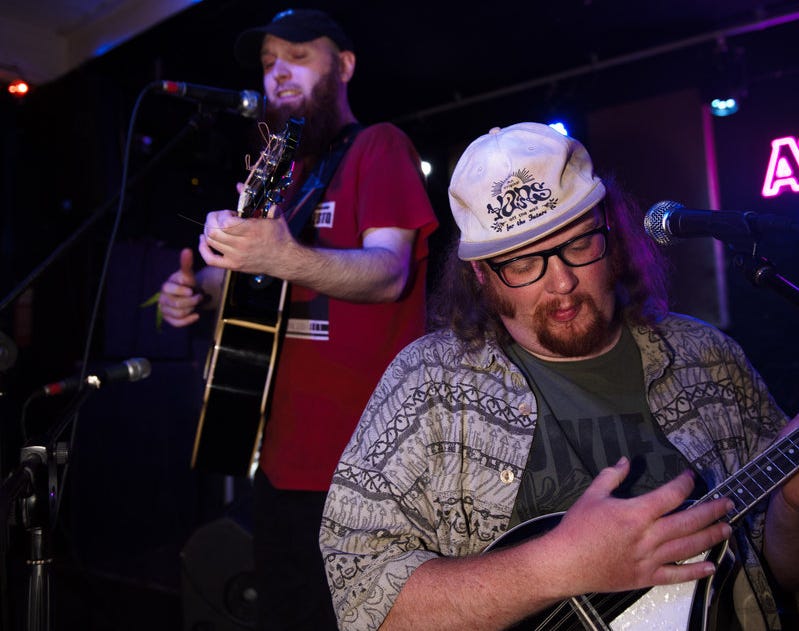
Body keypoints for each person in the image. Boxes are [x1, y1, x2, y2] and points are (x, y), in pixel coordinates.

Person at [319, 122, 799, 630]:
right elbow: (361, 600)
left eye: (579, 243)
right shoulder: (425, 385)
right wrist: (553, 567)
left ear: (611, 234)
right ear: (481, 274)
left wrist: (790, 509)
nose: (563, 281)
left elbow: (774, 578)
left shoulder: (708, 359)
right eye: (524, 262)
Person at [157, 8, 438, 629]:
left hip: (372, 469)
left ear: (344, 65)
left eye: (298, 55)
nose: (278, 71)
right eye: (268, 61)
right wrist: (195, 291)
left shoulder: (378, 146)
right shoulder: (284, 181)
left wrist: (284, 255)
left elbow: (389, 271)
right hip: (279, 465)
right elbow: (250, 279)